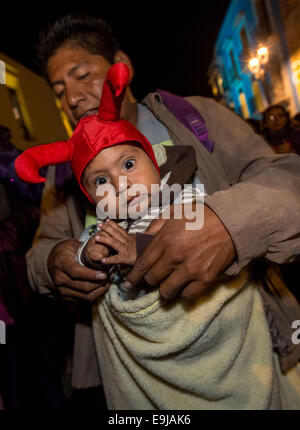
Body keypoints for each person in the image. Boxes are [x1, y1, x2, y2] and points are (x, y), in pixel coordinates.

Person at [27, 14, 300, 397]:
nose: (72, 98)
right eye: (59, 90)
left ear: (121, 64)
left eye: (82, 74)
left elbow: (290, 176)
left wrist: (230, 224)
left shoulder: (195, 118)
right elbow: (39, 253)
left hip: (249, 360)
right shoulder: (64, 173)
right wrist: (54, 264)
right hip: (141, 380)